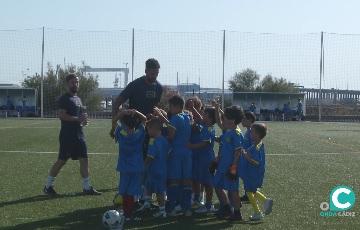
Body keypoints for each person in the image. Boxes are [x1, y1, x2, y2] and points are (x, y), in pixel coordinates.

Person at [43, 74, 100, 195]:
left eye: (77, 82)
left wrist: (84, 121)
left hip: (79, 134)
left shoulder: (78, 98)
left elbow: (79, 116)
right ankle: (48, 186)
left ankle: (87, 187)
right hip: (67, 135)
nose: (76, 84)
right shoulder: (64, 98)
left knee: (84, 159)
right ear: (67, 84)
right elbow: (62, 115)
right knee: (62, 160)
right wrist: (77, 119)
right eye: (73, 82)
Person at [154, 95, 192, 217]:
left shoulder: (175, 118)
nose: (169, 109)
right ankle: (186, 208)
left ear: (176, 106)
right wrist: (164, 118)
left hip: (176, 152)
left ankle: (171, 208)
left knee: (174, 181)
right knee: (186, 181)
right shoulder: (187, 116)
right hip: (187, 153)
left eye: (170, 106)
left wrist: (161, 135)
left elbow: (171, 136)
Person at [110, 58, 162, 137]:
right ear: (146, 71)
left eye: (156, 74)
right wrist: (114, 125)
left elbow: (156, 108)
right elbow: (117, 103)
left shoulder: (159, 87)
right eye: (152, 74)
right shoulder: (135, 85)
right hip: (132, 127)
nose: (154, 76)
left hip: (149, 128)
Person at [113, 108, 147, 220]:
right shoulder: (138, 134)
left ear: (123, 123)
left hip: (124, 167)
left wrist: (122, 113)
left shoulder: (121, 133)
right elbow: (145, 119)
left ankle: (120, 210)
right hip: (136, 167)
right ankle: (128, 214)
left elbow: (114, 121)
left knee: (123, 190)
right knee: (132, 192)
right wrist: (136, 112)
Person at [213, 105, 244, 221]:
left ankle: (237, 213)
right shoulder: (227, 131)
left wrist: (233, 167)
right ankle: (226, 207)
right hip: (221, 166)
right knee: (217, 185)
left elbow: (238, 151)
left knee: (233, 190)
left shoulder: (236, 134)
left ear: (232, 121)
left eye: (224, 117)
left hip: (230, 167)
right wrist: (217, 159)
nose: (222, 119)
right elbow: (223, 147)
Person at [240, 123, 273, 221]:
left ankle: (258, 212)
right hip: (251, 172)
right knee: (251, 190)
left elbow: (257, 162)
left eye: (252, 132)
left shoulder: (256, 147)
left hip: (253, 173)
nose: (250, 134)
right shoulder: (256, 144)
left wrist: (247, 157)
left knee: (249, 191)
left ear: (257, 135)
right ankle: (265, 201)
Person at [188, 107, 217, 214]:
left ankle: (209, 205)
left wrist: (191, 146)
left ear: (209, 118)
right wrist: (193, 108)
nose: (202, 115)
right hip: (200, 158)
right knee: (198, 179)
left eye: (204, 114)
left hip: (206, 159)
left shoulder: (209, 128)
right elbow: (200, 119)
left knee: (208, 182)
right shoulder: (205, 125)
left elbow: (205, 143)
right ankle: (197, 200)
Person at [142, 118, 169, 218]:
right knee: (149, 186)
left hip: (155, 170)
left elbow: (150, 157)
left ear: (154, 129)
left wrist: (143, 166)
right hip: (162, 169)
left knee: (159, 191)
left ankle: (162, 211)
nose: (147, 131)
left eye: (148, 129)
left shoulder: (153, 141)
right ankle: (147, 204)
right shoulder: (164, 140)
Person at [239, 112, 256, 203]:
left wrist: (247, 154)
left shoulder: (252, 132)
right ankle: (247, 195)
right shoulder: (248, 130)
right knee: (245, 177)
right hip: (245, 158)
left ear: (250, 120)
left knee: (249, 178)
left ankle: (252, 195)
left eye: (244, 119)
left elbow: (254, 145)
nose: (242, 120)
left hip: (249, 159)